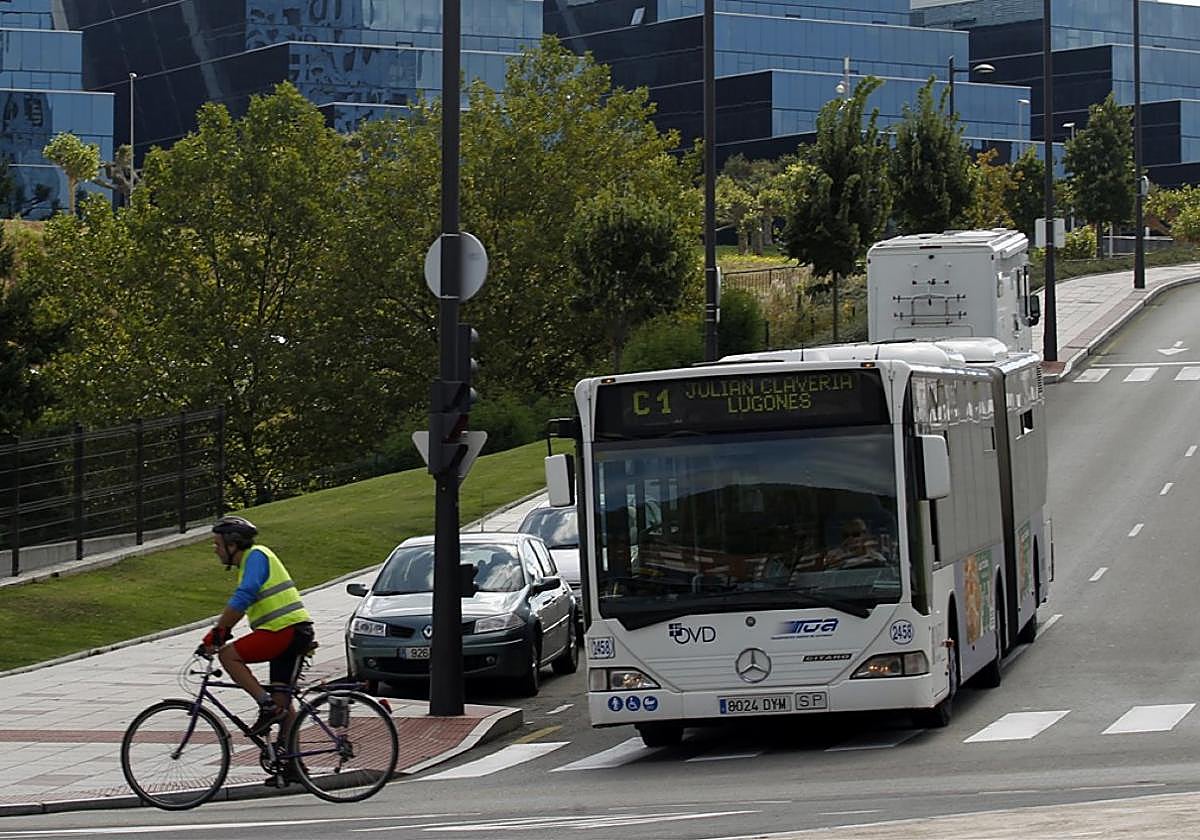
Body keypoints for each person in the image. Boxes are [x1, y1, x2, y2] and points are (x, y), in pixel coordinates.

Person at [198, 515, 315, 737]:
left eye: (217, 544)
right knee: (282, 702)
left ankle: (265, 705)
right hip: (293, 631)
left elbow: (243, 597)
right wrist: (222, 631)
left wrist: (218, 634)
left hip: (283, 630)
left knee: (227, 656)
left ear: (233, 545)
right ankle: (290, 756)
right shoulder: (253, 560)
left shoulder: (256, 555)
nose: (215, 550)